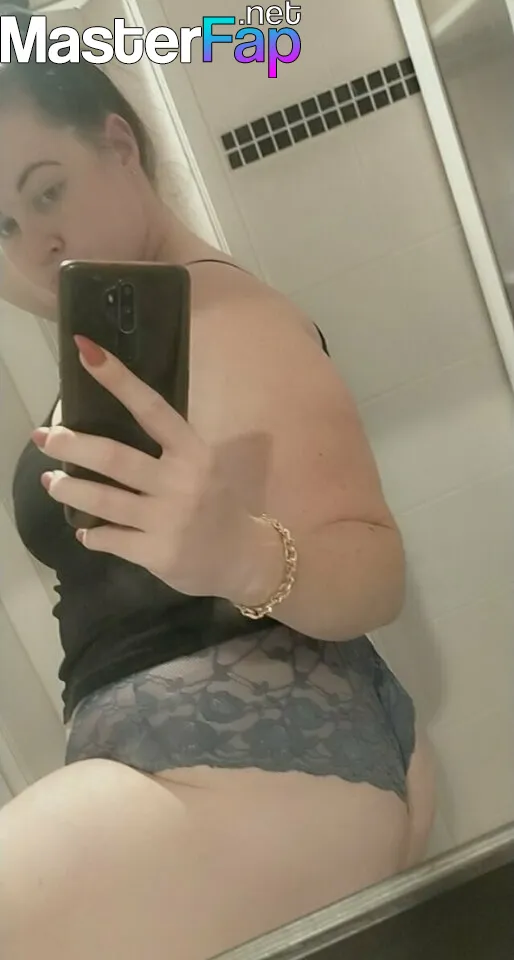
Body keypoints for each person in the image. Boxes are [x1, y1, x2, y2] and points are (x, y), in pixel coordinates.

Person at [0, 10, 435, 960]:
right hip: (218, 760)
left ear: (119, 147)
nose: (36, 242)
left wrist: (241, 555)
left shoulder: (223, 313)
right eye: (2, 224)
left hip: (253, 759)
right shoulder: (127, 343)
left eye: (47, 189)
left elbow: (375, 570)